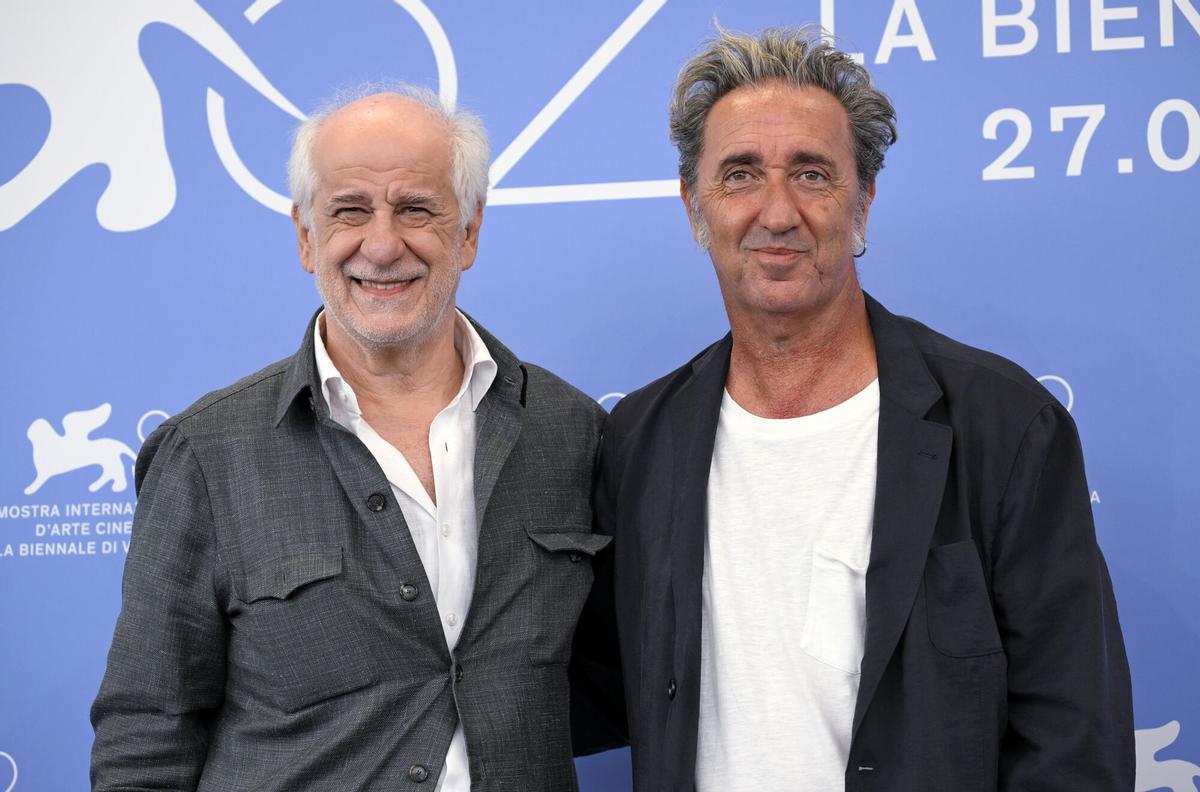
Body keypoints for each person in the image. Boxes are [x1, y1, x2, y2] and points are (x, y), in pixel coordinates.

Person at [594, 27, 1134, 791]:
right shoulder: (639, 441)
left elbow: (1075, 741)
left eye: (811, 174)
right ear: (694, 206)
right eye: (740, 174)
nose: (777, 212)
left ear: (863, 203)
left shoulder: (1005, 427)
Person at [91, 84, 612, 791]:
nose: (383, 244)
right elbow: (145, 736)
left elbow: (625, 679)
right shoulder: (206, 456)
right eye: (349, 211)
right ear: (307, 237)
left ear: (469, 232)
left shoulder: (573, 432)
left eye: (416, 208)